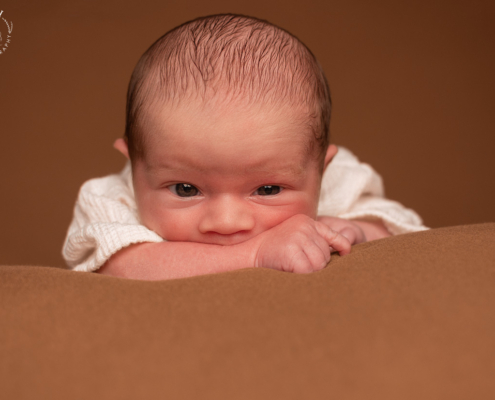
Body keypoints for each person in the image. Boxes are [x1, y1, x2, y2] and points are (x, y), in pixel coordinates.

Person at [62, 14, 426, 280]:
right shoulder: (111, 200)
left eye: (267, 189)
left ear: (321, 170)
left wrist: (355, 230)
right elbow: (126, 267)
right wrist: (255, 253)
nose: (226, 222)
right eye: (185, 189)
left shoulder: (335, 182)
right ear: (135, 165)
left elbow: (404, 229)